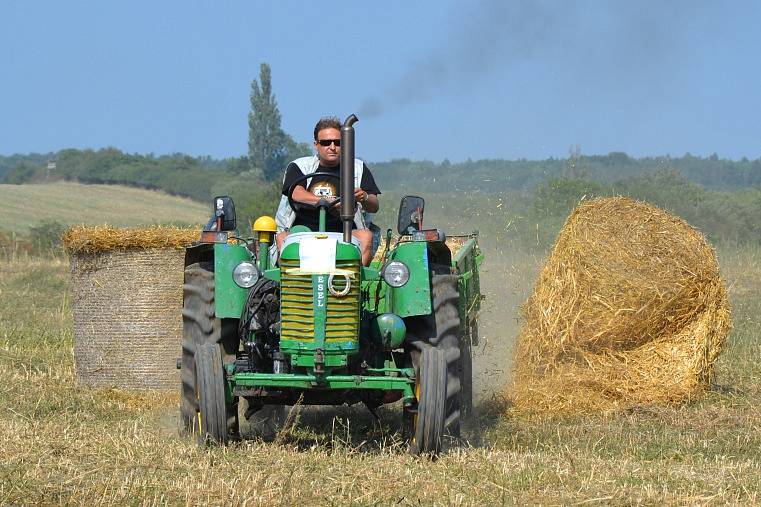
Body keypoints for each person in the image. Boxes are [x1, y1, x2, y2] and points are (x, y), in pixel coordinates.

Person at [275, 116, 380, 265]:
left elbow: (374, 205)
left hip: (344, 233)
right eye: (325, 143)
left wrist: (364, 196)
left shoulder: (358, 169)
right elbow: (296, 192)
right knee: (282, 238)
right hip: (304, 231)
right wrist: (324, 201)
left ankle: (356, 284)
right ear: (316, 145)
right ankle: (289, 285)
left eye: (338, 142)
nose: (332, 147)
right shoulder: (300, 166)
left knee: (365, 236)